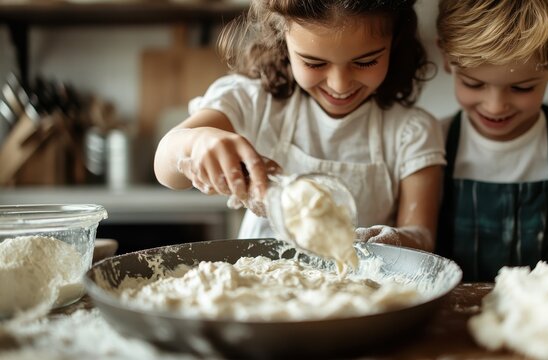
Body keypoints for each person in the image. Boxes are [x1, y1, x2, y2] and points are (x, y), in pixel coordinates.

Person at [154, 0, 445, 251]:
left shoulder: (412, 132)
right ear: (283, 42)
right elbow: (166, 167)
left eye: (366, 62)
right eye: (315, 64)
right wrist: (197, 142)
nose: (339, 85)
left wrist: (389, 241)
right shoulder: (252, 102)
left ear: (394, 44)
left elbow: (422, 236)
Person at [435, 0, 548, 281]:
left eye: (522, 87)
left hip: (546, 319)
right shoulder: (432, 141)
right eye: (473, 84)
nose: (495, 106)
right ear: (446, 59)